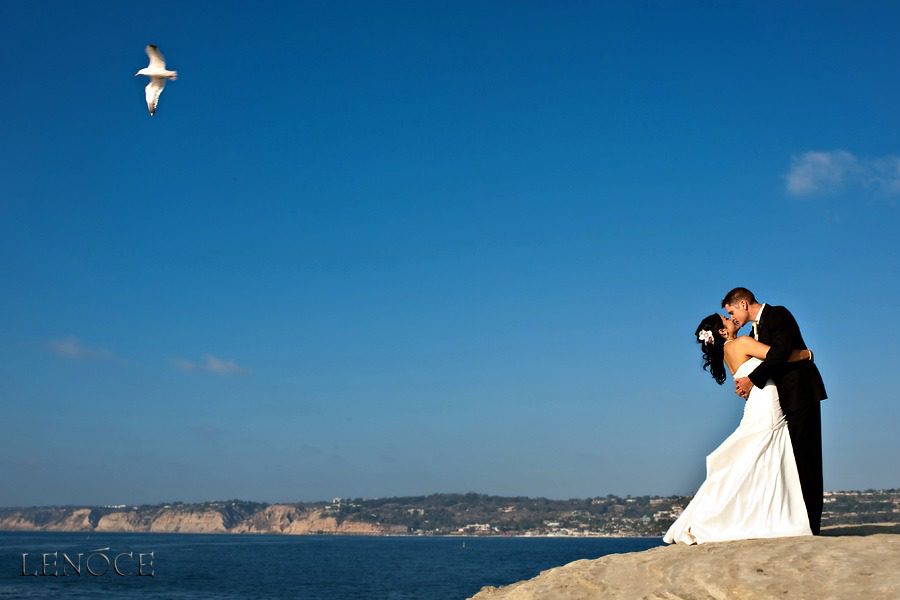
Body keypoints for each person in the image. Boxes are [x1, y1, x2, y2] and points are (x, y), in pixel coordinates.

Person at [663, 313, 813, 544]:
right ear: (722, 332)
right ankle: (761, 514)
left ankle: (759, 513)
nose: (731, 319)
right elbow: (777, 356)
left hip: (758, 401)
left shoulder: (726, 352)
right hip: (765, 401)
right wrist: (806, 354)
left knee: (755, 455)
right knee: (760, 452)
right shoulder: (742, 343)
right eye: (726, 318)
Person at [722, 287, 827, 535]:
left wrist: (751, 379)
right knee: (790, 460)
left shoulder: (778, 314)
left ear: (744, 304)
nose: (732, 316)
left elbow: (779, 353)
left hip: (801, 393)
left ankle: (812, 525)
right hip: (780, 400)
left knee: (807, 458)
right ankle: (793, 520)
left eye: (732, 311)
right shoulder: (750, 332)